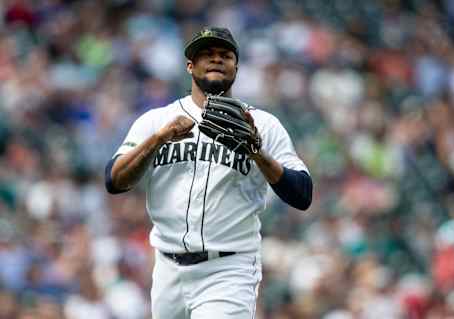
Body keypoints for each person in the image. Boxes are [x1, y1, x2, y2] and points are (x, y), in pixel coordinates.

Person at [105, 27, 313, 319]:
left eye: (225, 55)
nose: (216, 59)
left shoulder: (262, 125)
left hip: (228, 269)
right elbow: (114, 181)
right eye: (207, 54)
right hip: (167, 270)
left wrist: (256, 152)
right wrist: (157, 140)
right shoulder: (156, 121)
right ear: (190, 65)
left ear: (236, 67)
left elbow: (302, 194)